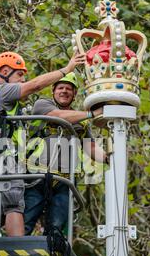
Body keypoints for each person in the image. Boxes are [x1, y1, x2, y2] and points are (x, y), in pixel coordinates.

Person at [0, 51, 86, 238]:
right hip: (3, 157)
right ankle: (17, 252)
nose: (22, 79)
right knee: (15, 205)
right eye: (19, 74)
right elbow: (35, 85)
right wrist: (66, 69)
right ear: (4, 71)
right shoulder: (3, 91)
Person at [24, 72, 106, 235]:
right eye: (60, 87)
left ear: (74, 94)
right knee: (26, 222)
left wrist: (109, 157)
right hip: (36, 177)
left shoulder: (80, 122)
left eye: (69, 89)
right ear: (53, 91)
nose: (64, 91)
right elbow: (59, 116)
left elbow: (90, 147)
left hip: (64, 182)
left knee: (56, 228)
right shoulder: (42, 105)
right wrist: (92, 114)